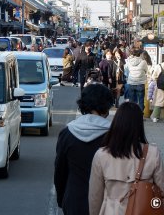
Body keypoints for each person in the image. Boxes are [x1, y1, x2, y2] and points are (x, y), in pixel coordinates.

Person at [89, 102, 164, 215]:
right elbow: (161, 190)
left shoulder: (101, 155)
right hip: (143, 210)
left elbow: (95, 196)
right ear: (139, 125)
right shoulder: (152, 153)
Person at [54, 84, 113, 215]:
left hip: (74, 198)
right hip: (106, 202)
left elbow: (60, 169)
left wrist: (61, 198)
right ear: (107, 106)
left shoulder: (67, 132)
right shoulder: (114, 134)